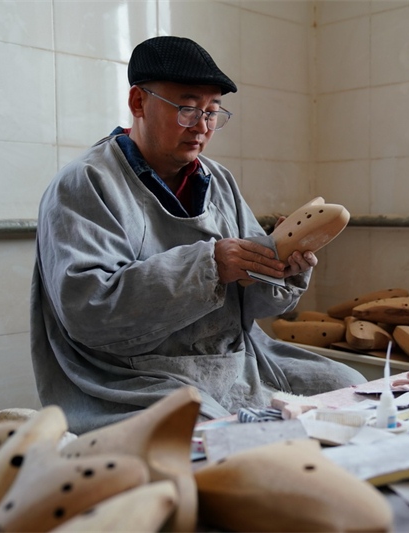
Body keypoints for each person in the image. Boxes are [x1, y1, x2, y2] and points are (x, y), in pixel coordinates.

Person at [30, 36, 366, 434]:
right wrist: (209, 265)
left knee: (353, 391)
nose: (202, 127)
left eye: (213, 112)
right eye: (187, 109)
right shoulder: (85, 182)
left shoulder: (217, 178)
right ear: (138, 102)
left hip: (237, 361)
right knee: (214, 436)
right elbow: (89, 311)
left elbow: (255, 308)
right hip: (130, 375)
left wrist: (281, 269)